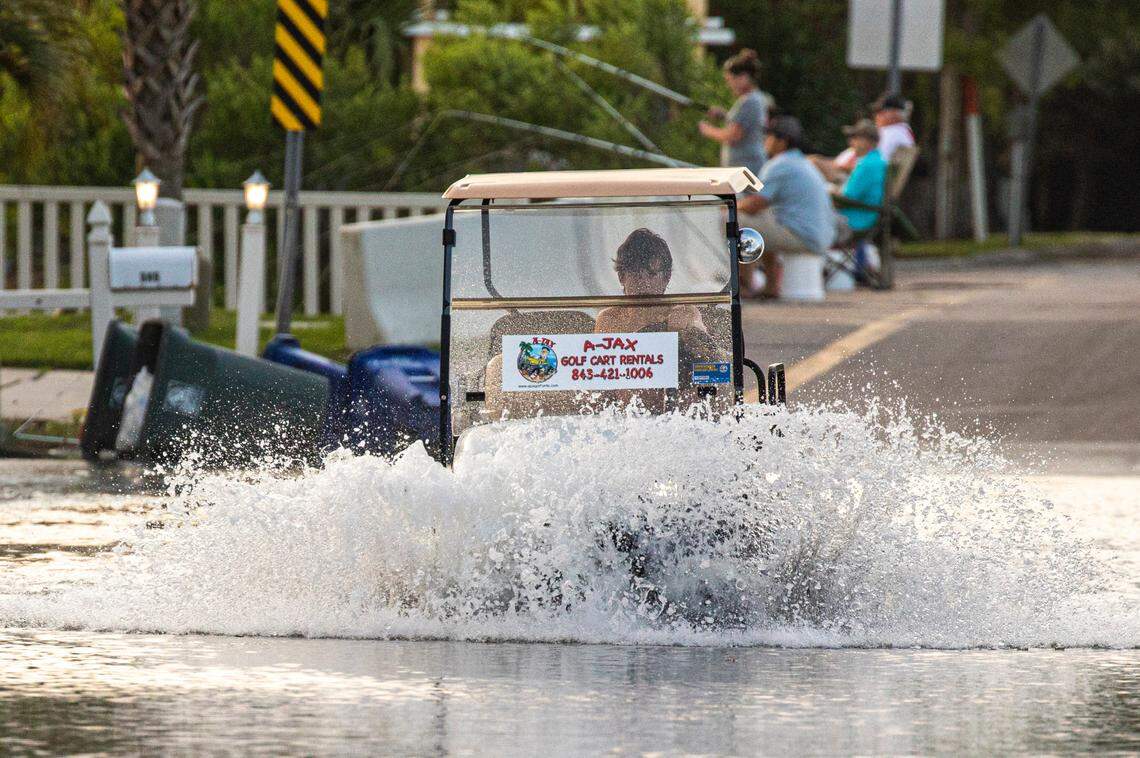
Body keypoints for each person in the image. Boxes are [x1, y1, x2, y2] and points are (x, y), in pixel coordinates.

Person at [738, 115, 836, 299]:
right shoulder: (802, 162)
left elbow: (755, 204)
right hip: (821, 235)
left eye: (769, 136)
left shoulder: (778, 165)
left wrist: (728, 206)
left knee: (737, 223)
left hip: (804, 236)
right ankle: (771, 285)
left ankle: (744, 285)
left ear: (783, 141)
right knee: (765, 222)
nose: (765, 141)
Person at [594, 228, 705, 334]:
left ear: (666, 278)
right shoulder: (608, 320)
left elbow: (706, 346)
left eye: (652, 274)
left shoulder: (686, 312)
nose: (644, 283)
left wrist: (689, 331)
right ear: (622, 277)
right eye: (636, 274)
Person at [698, 48, 770, 177]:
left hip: (748, 169)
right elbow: (742, 124)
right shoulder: (753, 99)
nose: (729, 85)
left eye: (730, 80)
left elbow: (733, 135)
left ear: (743, 77)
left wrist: (707, 130)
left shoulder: (750, 101)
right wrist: (725, 116)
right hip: (744, 168)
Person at [834, 118, 887, 234]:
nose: (851, 142)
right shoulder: (875, 160)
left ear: (869, 142)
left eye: (856, 138)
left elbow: (846, 198)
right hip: (861, 215)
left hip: (855, 220)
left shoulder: (868, 165)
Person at [871, 93, 915, 162]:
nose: (877, 116)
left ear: (894, 113)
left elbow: (875, 163)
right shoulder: (901, 130)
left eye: (881, 112)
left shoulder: (892, 132)